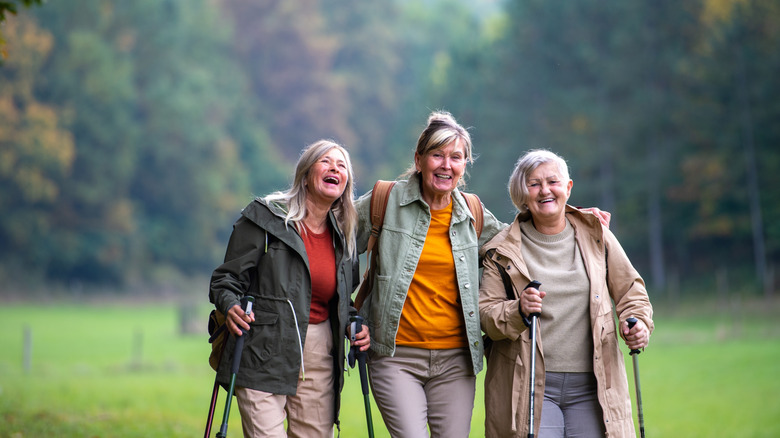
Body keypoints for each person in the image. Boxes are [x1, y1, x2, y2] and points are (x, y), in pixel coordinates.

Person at [478, 149, 653, 437]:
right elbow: (486, 316)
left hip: (593, 387)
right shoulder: (502, 250)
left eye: (553, 182)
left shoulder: (597, 235)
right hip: (529, 387)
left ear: (568, 188)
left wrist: (638, 323)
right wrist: (518, 310)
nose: (545, 190)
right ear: (522, 194)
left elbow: (631, 291)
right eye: (534, 184)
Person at [353, 111, 506, 437]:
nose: (445, 165)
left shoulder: (472, 213)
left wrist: (573, 217)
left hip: (456, 362)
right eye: (437, 155)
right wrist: (348, 317)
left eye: (455, 157)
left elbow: (518, 246)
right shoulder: (386, 199)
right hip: (395, 357)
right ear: (419, 160)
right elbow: (331, 240)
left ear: (465, 165)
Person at [209, 139, 370, 438]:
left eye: (342, 165)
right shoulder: (265, 218)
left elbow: (342, 301)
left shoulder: (344, 237)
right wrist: (230, 305)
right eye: (326, 161)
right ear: (306, 174)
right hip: (262, 349)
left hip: (321, 356)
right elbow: (225, 280)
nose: (335, 168)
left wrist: (354, 327)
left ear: (346, 183)